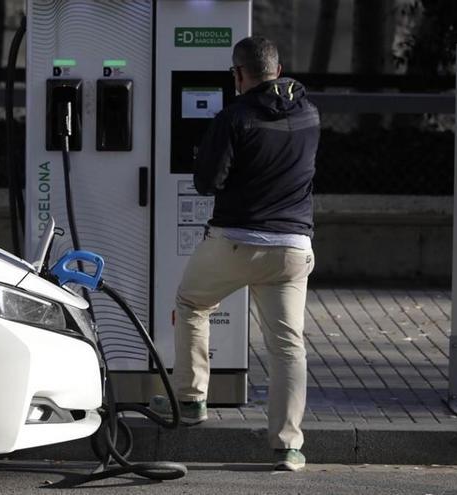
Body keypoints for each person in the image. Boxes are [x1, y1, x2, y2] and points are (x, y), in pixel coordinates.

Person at [174, 36, 319, 472]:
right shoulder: (310, 113)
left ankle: (191, 400)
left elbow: (208, 182)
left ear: (238, 75)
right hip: (293, 247)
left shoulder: (234, 117)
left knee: (192, 303)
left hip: (237, 241)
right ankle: (288, 446)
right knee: (288, 346)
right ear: (278, 69)